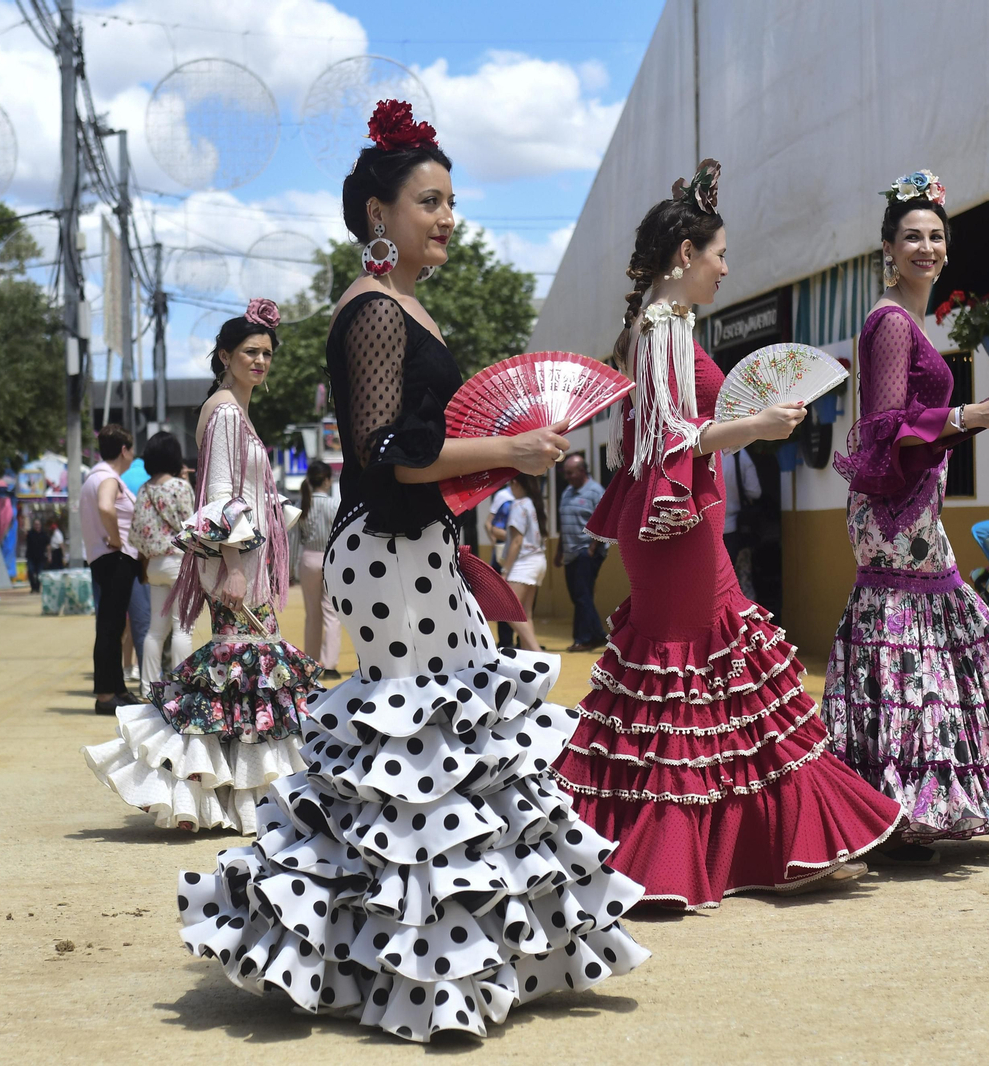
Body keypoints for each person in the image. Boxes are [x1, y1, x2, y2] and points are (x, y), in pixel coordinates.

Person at [173, 101, 649, 1042]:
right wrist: (506, 446)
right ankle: (421, 965)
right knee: (423, 749)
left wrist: (507, 454)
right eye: (428, 201)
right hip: (387, 551)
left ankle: (425, 951)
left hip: (416, 547)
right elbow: (388, 451)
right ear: (375, 216)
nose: (446, 216)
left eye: (452, 200)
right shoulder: (374, 313)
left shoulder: (401, 307)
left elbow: (420, 448)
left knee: (441, 743)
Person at [552, 161, 904, 908]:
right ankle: (725, 848)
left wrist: (752, 423)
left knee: (698, 669)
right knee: (700, 665)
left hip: (674, 520)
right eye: (719, 255)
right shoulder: (662, 327)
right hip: (678, 524)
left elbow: (670, 434)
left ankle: (712, 844)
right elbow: (673, 438)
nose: (725, 268)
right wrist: (759, 424)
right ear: (687, 256)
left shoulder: (658, 324)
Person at [822, 170, 989, 861]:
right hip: (893, 514)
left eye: (935, 237)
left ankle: (984, 797)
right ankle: (901, 814)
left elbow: (914, 430)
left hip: (912, 506)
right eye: (912, 237)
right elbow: (882, 428)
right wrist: (971, 413)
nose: (925, 248)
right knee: (919, 648)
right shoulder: (891, 323)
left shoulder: (909, 320)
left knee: (941, 642)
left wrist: (982, 419)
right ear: (887, 247)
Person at [85, 300, 320, 832]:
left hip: (248, 560)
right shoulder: (228, 413)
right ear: (224, 356)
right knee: (242, 675)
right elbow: (218, 494)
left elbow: (244, 493)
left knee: (240, 680)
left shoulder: (232, 411)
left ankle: (226, 798)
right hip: (237, 565)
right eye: (249, 352)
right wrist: (234, 563)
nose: (260, 361)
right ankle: (225, 797)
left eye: (266, 353)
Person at [80, 423, 143, 715]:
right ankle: (106, 694)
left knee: (113, 625)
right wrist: (117, 539)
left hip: (103, 558)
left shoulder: (92, 478)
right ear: (123, 450)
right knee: (109, 627)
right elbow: (107, 508)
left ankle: (115, 688)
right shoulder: (108, 478)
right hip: (115, 558)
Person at [130, 430, 196, 690]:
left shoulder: (144, 490)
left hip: (154, 565)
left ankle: (148, 687)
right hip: (179, 562)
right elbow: (192, 524)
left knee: (156, 631)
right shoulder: (180, 487)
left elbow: (136, 531)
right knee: (182, 629)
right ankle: (183, 687)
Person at [291, 458, 342, 678]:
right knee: (332, 613)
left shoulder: (302, 505)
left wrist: (292, 569)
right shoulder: (334, 505)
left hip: (308, 559)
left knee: (312, 614)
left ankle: (310, 663)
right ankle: (330, 665)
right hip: (331, 558)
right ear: (328, 481)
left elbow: (294, 541)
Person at [555, 453, 607, 651]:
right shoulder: (567, 492)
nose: (566, 477)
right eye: (565, 473)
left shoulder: (595, 492)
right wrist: (559, 551)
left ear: (582, 471)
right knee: (578, 596)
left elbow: (602, 522)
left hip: (586, 552)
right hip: (569, 553)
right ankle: (596, 636)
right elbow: (563, 524)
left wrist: (592, 550)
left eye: (570, 473)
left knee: (582, 596)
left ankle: (584, 639)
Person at [501, 473, 548, 651]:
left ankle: (538, 653)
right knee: (525, 614)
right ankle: (532, 659)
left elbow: (516, 541)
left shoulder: (519, 505)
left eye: (510, 483)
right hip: (538, 561)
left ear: (516, 483)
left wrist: (505, 570)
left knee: (508, 610)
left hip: (524, 562)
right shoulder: (533, 503)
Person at [720, 447, 760, 601]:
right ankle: (746, 623)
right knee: (743, 582)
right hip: (737, 530)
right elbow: (755, 491)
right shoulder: (738, 454)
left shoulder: (700, 448)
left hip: (707, 533)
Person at [482, 483, 516, 650]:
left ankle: (522, 642)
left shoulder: (530, 496)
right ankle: (505, 642)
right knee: (504, 596)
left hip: (524, 554)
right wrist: (496, 542)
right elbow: (489, 524)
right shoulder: (504, 496)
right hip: (505, 553)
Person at [24, 516, 48, 592]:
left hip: (40, 557)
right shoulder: (30, 534)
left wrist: (49, 555)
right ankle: (33, 587)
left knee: (39, 573)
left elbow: (48, 545)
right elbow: (23, 535)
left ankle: (37, 588)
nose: (37, 526)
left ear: (40, 525)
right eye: (35, 524)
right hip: (31, 556)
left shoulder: (44, 534)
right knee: (30, 571)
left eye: (38, 524)